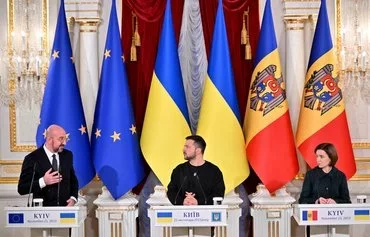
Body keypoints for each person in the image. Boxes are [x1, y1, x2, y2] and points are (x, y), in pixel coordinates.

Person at [18, 124, 78, 206]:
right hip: (42, 213)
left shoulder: (67, 155)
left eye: (65, 139)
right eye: (61, 139)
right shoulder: (33, 158)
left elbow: (73, 181)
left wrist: (73, 198)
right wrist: (43, 181)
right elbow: (22, 188)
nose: (64, 143)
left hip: (65, 211)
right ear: (50, 139)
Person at [167, 135, 225, 205]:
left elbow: (218, 195)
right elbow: (171, 192)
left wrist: (198, 202)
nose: (183, 149)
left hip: (207, 214)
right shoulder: (179, 170)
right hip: (182, 213)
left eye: (187, 147)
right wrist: (183, 201)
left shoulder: (214, 171)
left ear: (198, 150)